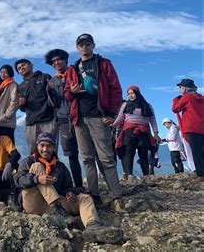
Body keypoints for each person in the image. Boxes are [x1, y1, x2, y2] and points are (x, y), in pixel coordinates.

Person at [14, 132, 123, 244]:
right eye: (42, 145)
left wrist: (70, 193)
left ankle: (93, 226)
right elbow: (18, 180)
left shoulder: (60, 167)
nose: (45, 149)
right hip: (34, 203)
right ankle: (56, 207)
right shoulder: (29, 161)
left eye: (49, 146)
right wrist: (36, 179)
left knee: (84, 198)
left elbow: (68, 187)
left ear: (53, 148)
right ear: (37, 146)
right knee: (37, 167)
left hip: (55, 209)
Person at [64, 33, 124, 211]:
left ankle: (117, 196)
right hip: (79, 118)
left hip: (99, 116)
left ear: (93, 45)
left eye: (87, 44)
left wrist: (112, 113)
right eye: (81, 44)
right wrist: (73, 91)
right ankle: (94, 194)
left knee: (106, 158)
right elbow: (66, 94)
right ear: (77, 48)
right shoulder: (72, 69)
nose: (84, 47)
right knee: (87, 158)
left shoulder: (104, 64)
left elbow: (115, 88)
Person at [45, 49, 83, 188]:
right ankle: (78, 185)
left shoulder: (75, 73)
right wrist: (49, 90)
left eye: (59, 59)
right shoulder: (53, 80)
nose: (56, 63)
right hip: (62, 118)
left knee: (88, 152)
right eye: (53, 61)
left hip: (79, 116)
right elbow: (52, 103)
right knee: (71, 154)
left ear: (65, 60)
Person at [112, 86, 161, 177]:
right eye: (128, 94)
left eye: (132, 93)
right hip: (129, 132)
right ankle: (129, 174)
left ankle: (146, 175)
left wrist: (156, 133)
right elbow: (120, 118)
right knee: (129, 154)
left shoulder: (147, 106)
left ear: (137, 93)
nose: (130, 95)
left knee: (143, 154)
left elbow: (152, 120)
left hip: (144, 132)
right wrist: (112, 125)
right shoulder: (125, 105)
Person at [16, 58, 57, 153]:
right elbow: (23, 109)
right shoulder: (21, 86)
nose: (21, 68)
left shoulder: (44, 77)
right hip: (31, 122)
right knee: (33, 152)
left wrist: (52, 89)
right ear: (18, 73)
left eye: (23, 65)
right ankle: (35, 168)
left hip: (48, 120)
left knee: (50, 151)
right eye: (19, 68)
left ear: (31, 65)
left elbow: (55, 97)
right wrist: (21, 104)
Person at [172, 78, 204, 182]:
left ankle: (200, 174)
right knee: (202, 151)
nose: (179, 89)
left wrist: (176, 100)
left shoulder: (187, 97)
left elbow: (175, 109)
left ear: (185, 88)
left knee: (196, 152)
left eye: (180, 87)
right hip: (202, 127)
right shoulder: (201, 97)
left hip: (191, 127)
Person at [0, 64, 19, 144]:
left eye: (5, 72)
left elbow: (14, 102)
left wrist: (6, 116)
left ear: (10, 74)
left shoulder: (12, 85)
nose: (3, 74)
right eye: (1, 72)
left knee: (8, 145)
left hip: (6, 121)